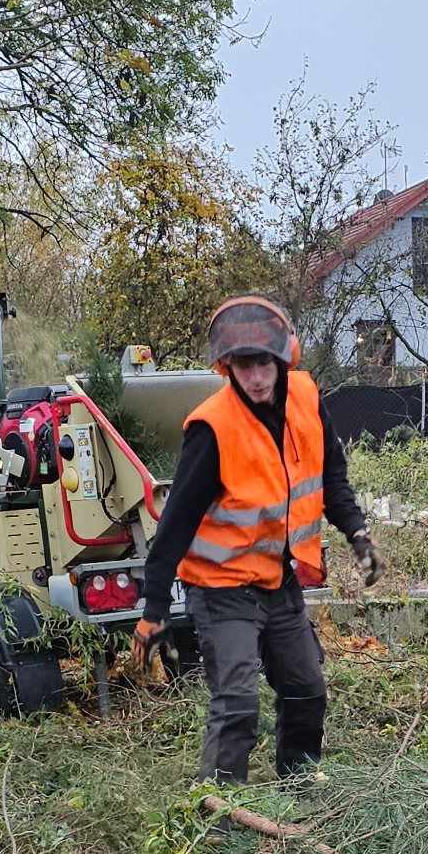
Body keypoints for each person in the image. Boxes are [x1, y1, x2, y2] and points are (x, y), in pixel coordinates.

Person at [131, 295, 379, 784]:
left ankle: (298, 784)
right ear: (228, 367)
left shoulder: (307, 400)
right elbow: (175, 524)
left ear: (284, 357)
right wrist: (153, 608)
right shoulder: (213, 428)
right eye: (244, 366)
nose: (257, 377)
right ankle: (221, 815)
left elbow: (331, 478)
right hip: (221, 590)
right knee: (238, 701)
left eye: (264, 363)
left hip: (276, 581)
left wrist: (357, 532)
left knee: (307, 687)